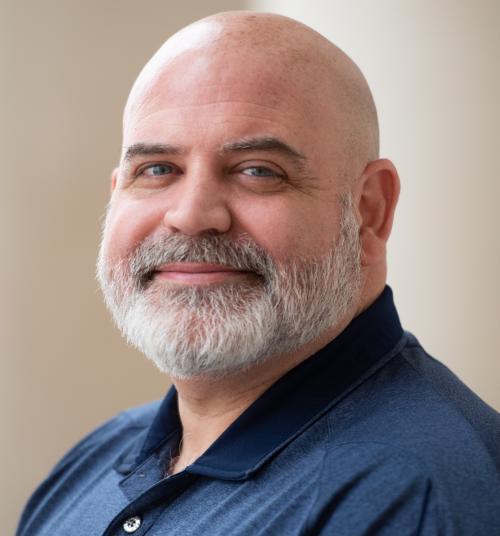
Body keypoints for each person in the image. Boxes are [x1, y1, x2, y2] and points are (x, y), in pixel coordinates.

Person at [17, 11, 500, 536]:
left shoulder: (419, 498)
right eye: (157, 169)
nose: (192, 215)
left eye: (258, 171)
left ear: (369, 211)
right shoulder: (92, 463)